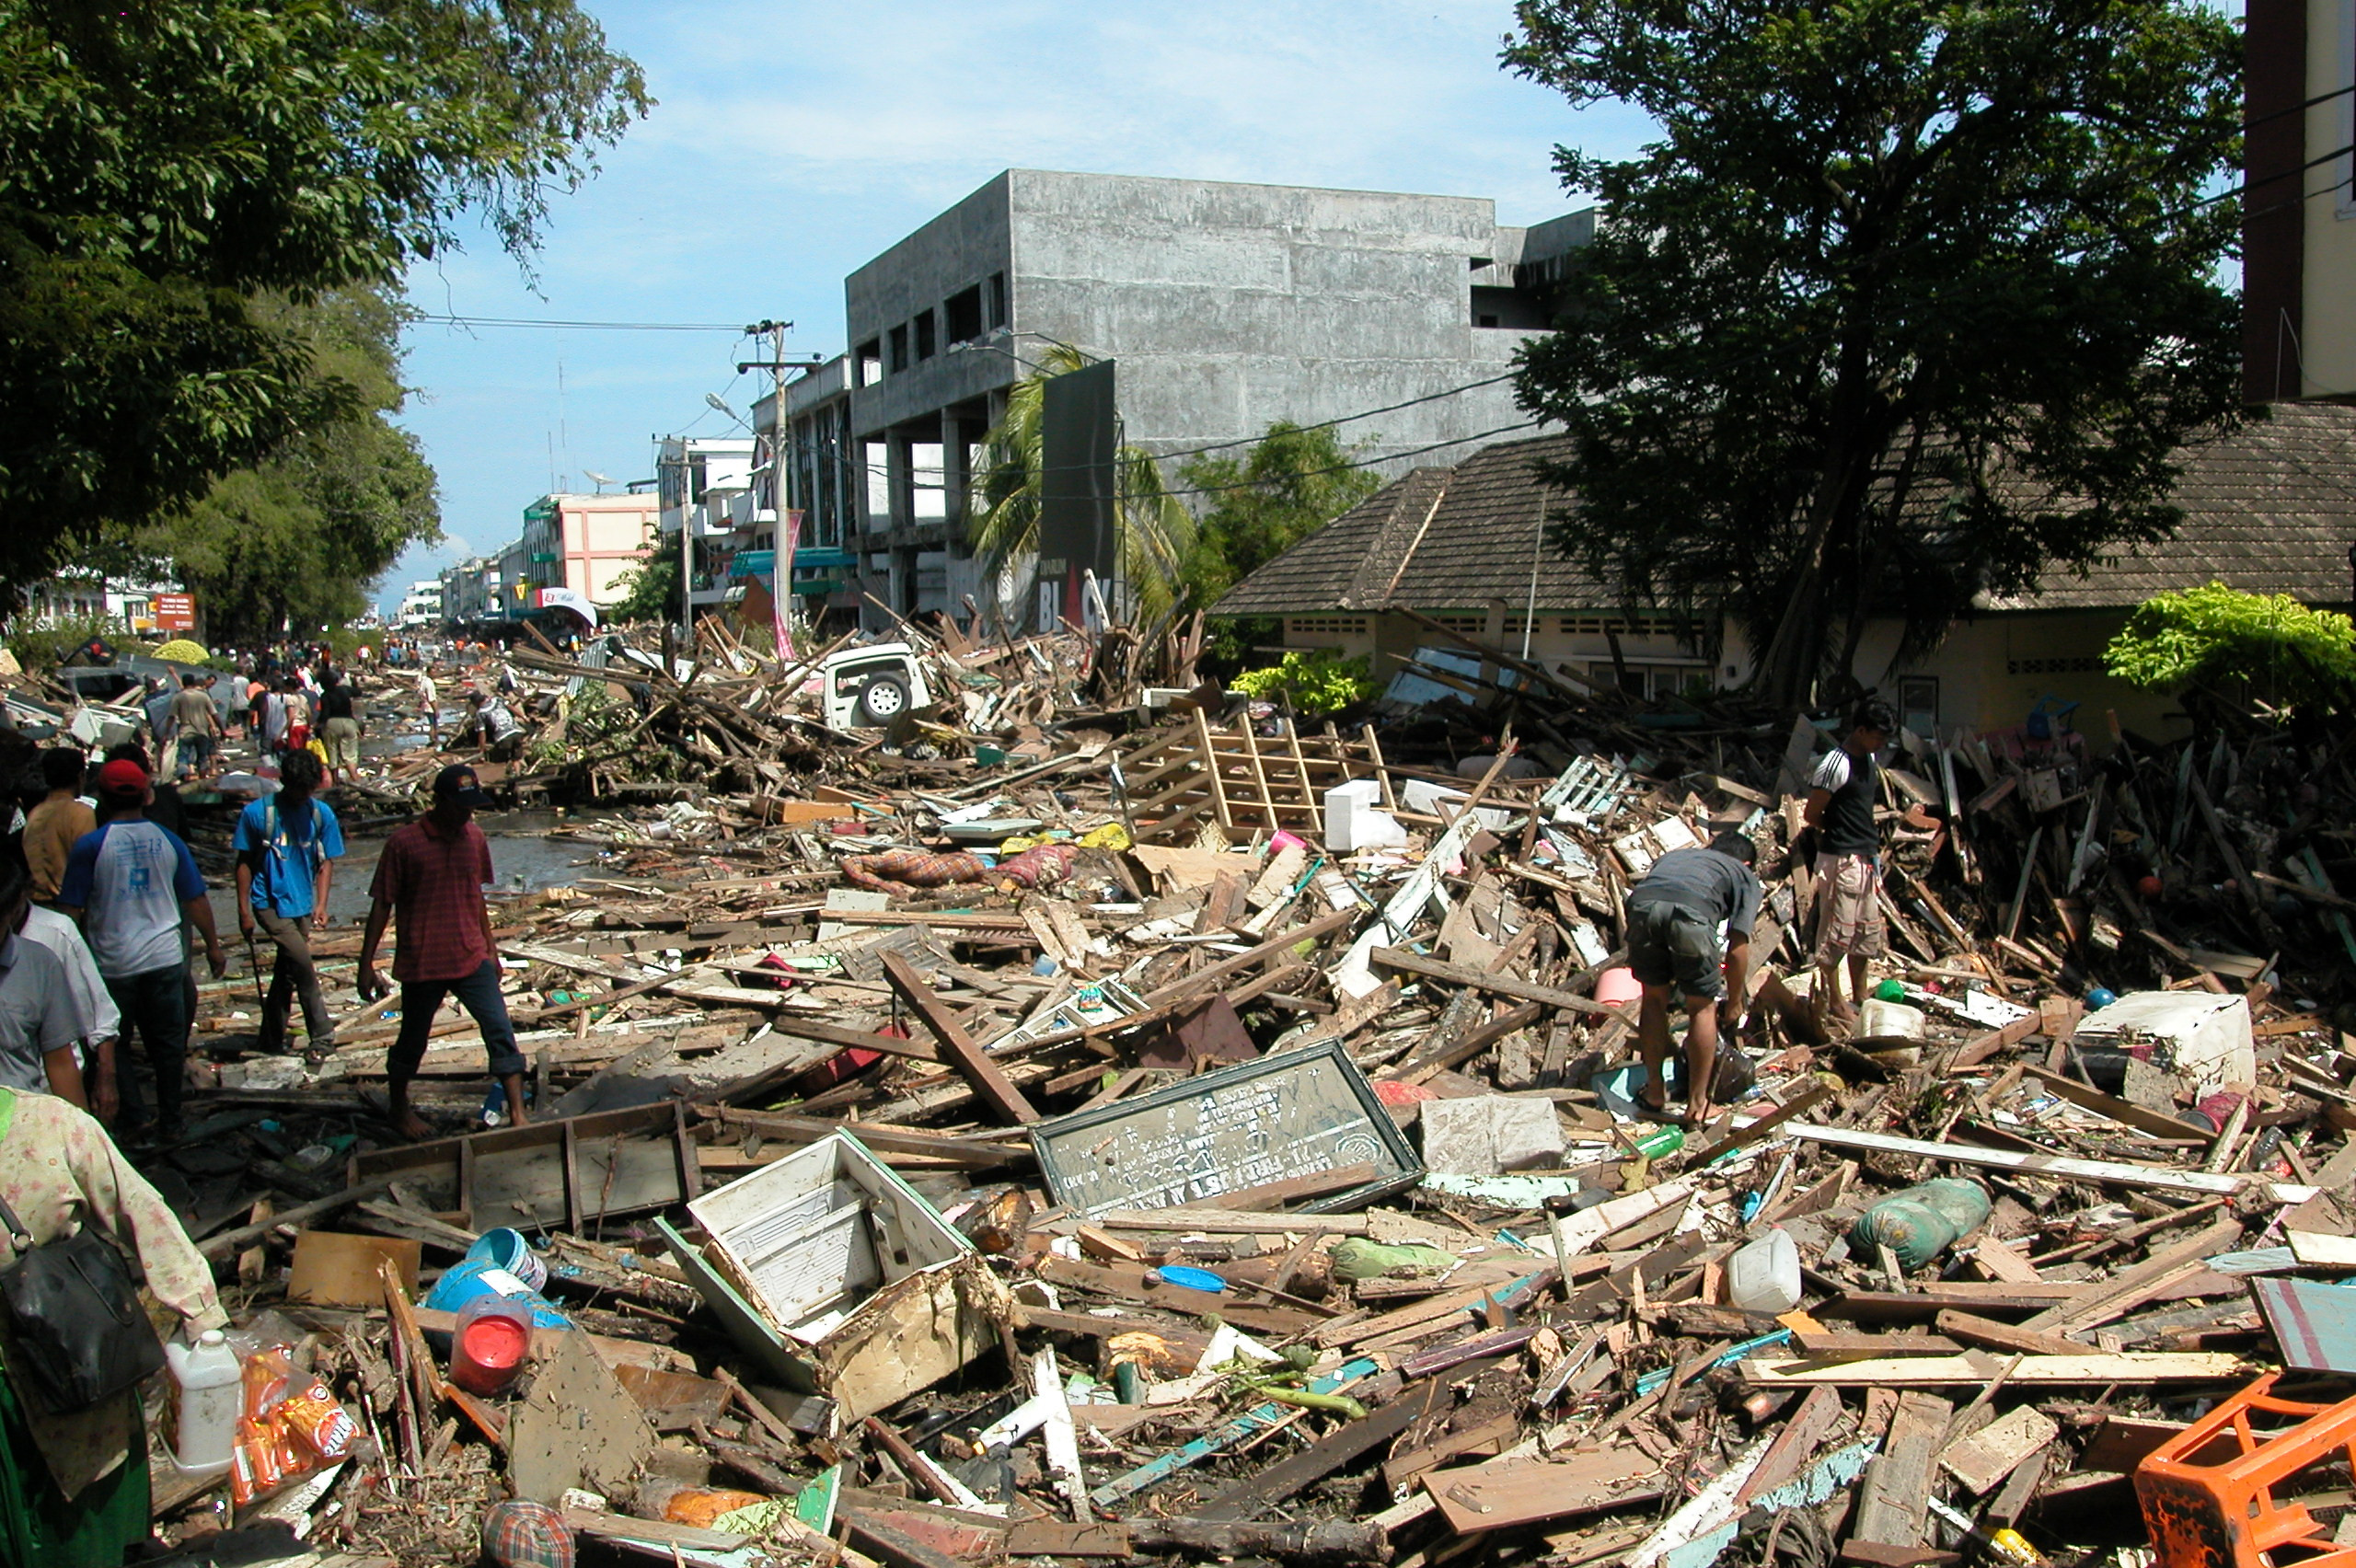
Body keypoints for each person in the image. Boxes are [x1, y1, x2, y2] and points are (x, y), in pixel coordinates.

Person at [0, 1085, 225, 1565]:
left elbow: (139, 1210)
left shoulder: (51, 1126)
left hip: (71, 1371)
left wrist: (198, 1311)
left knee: (82, 1530)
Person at [55, 761, 225, 1144]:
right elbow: (195, 899)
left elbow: (70, 912)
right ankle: (171, 1118)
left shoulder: (91, 847)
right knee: (166, 1046)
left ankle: (136, 1117)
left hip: (113, 964)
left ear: (101, 796)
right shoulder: (167, 840)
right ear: (146, 795)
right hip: (165, 959)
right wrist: (213, 947)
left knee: (116, 1045)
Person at [359, 765, 526, 1139]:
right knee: (413, 1039)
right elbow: (382, 904)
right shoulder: (405, 844)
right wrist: (366, 962)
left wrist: (492, 949)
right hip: (424, 958)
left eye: (471, 808)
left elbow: (476, 898)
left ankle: (518, 1115)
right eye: (461, 807)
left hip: (471, 954)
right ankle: (399, 1107)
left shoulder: (474, 838)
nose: (467, 814)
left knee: (499, 1028)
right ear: (441, 801)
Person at [1624, 832, 1762, 1130]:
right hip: (1691, 913)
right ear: (1748, 863)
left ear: (1711, 847)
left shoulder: (1677, 855)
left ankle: (1655, 1091)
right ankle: (1698, 1106)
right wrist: (1736, 1001)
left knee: (1654, 999)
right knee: (1701, 1008)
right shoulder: (1744, 876)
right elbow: (1738, 948)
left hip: (1641, 906)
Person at [233, 750, 343, 1064]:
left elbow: (325, 863)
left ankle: (271, 1037)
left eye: (308, 789)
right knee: (304, 966)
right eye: (298, 789)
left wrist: (321, 903)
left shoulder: (321, 815)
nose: (303, 796)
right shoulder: (258, 814)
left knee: (287, 972)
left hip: (301, 903)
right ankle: (322, 1036)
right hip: (267, 900)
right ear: (285, 782)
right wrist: (243, 911)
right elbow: (243, 863)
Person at [1804, 698, 1897, 1027]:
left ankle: (1859, 996)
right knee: (1836, 935)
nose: (1882, 743)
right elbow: (1812, 813)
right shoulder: (1835, 764)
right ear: (1860, 730)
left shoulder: (1868, 759)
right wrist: (1837, 829)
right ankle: (1834, 1000)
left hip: (1865, 859)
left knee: (1865, 934)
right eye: (1878, 736)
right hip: (1841, 860)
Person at [0, 861, 99, 1108]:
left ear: (12, 911)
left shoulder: (40, 965)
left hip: (19, 1127)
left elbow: (61, 1063)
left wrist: (78, 1137)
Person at [20, 750, 93, 908]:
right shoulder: (81, 813)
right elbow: (88, 866)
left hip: (34, 905)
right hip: (67, 907)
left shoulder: (35, 813)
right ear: (80, 777)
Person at [167, 674, 220, 781]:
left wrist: (166, 732)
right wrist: (221, 729)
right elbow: (214, 714)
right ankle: (202, 781)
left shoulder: (178, 697)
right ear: (194, 683)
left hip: (185, 733)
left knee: (183, 758)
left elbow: (172, 717)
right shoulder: (203, 696)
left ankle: (185, 780)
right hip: (202, 732)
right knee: (202, 758)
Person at [318, 676, 363, 777]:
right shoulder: (344, 689)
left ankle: (335, 781)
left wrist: (317, 725)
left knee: (332, 752)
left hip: (332, 723)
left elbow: (325, 714)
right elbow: (358, 692)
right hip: (349, 722)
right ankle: (355, 778)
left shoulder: (325, 695)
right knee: (350, 755)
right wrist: (355, 683)